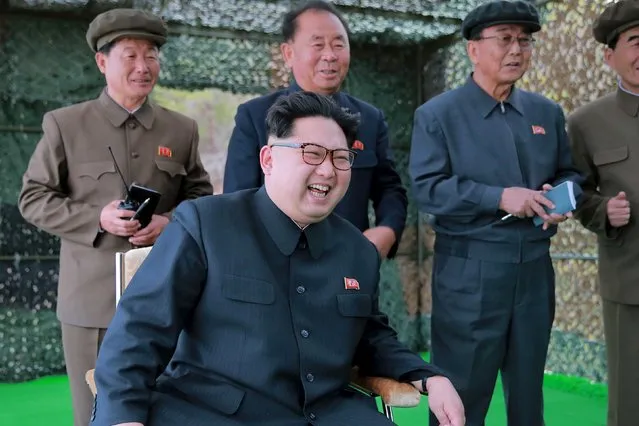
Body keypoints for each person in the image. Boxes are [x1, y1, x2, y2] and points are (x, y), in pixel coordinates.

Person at [91, 91, 465, 426]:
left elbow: (370, 337)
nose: (328, 170)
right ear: (268, 159)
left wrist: (429, 375)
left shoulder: (358, 250)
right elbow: (139, 332)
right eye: (312, 153)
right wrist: (122, 417)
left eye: (341, 157)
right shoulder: (206, 224)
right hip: (213, 412)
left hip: (328, 412)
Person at [18, 9, 212, 426]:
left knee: (166, 405)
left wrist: (170, 222)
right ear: (102, 62)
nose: (143, 66)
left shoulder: (181, 129)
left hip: (165, 294)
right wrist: (96, 219)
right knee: (94, 413)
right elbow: (33, 198)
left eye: (152, 55)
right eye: (130, 55)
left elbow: (200, 196)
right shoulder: (65, 125)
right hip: (91, 303)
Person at [409, 1, 583, 425]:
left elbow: (571, 173)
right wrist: (499, 197)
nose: (516, 50)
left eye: (524, 40)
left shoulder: (546, 113)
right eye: (504, 39)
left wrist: (560, 199)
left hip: (534, 274)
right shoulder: (438, 115)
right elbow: (428, 189)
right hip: (470, 276)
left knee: (528, 396)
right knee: (461, 398)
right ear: (473, 49)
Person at [223, 0, 407, 259]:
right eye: (317, 44)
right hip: (278, 267)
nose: (330, 55)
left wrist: (387, 230)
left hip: (349, 266)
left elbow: (389, 187)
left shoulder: (369, 119)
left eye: (339, 44)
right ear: (288, 54)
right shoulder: (255, 116)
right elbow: (238, 200)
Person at [567, 2, 639, 424]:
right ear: (609, 56)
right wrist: (602, 211)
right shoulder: (586, 123)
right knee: (631, 401)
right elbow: (575, 190)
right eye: (635, 42)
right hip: (630, 281)